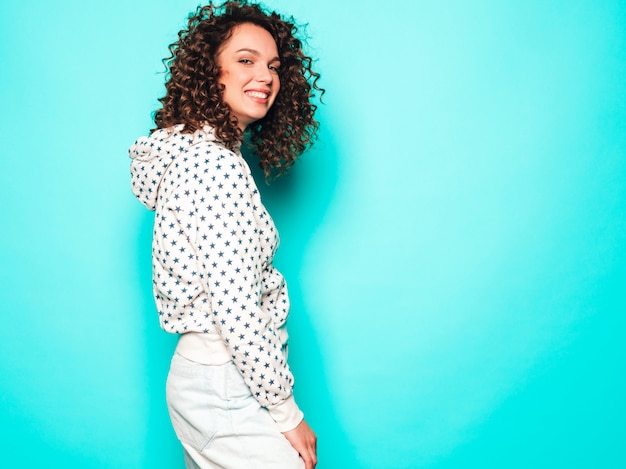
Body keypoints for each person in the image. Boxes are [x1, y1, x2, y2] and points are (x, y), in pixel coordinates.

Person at [128, 1, 323, 467]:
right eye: (245, 60)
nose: (266, 76)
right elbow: (236, 307)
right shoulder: (216, 166)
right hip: (224, 384)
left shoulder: (192, 154)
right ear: (208, 72)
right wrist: (286, 411)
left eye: (274, 66)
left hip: (204, 379)